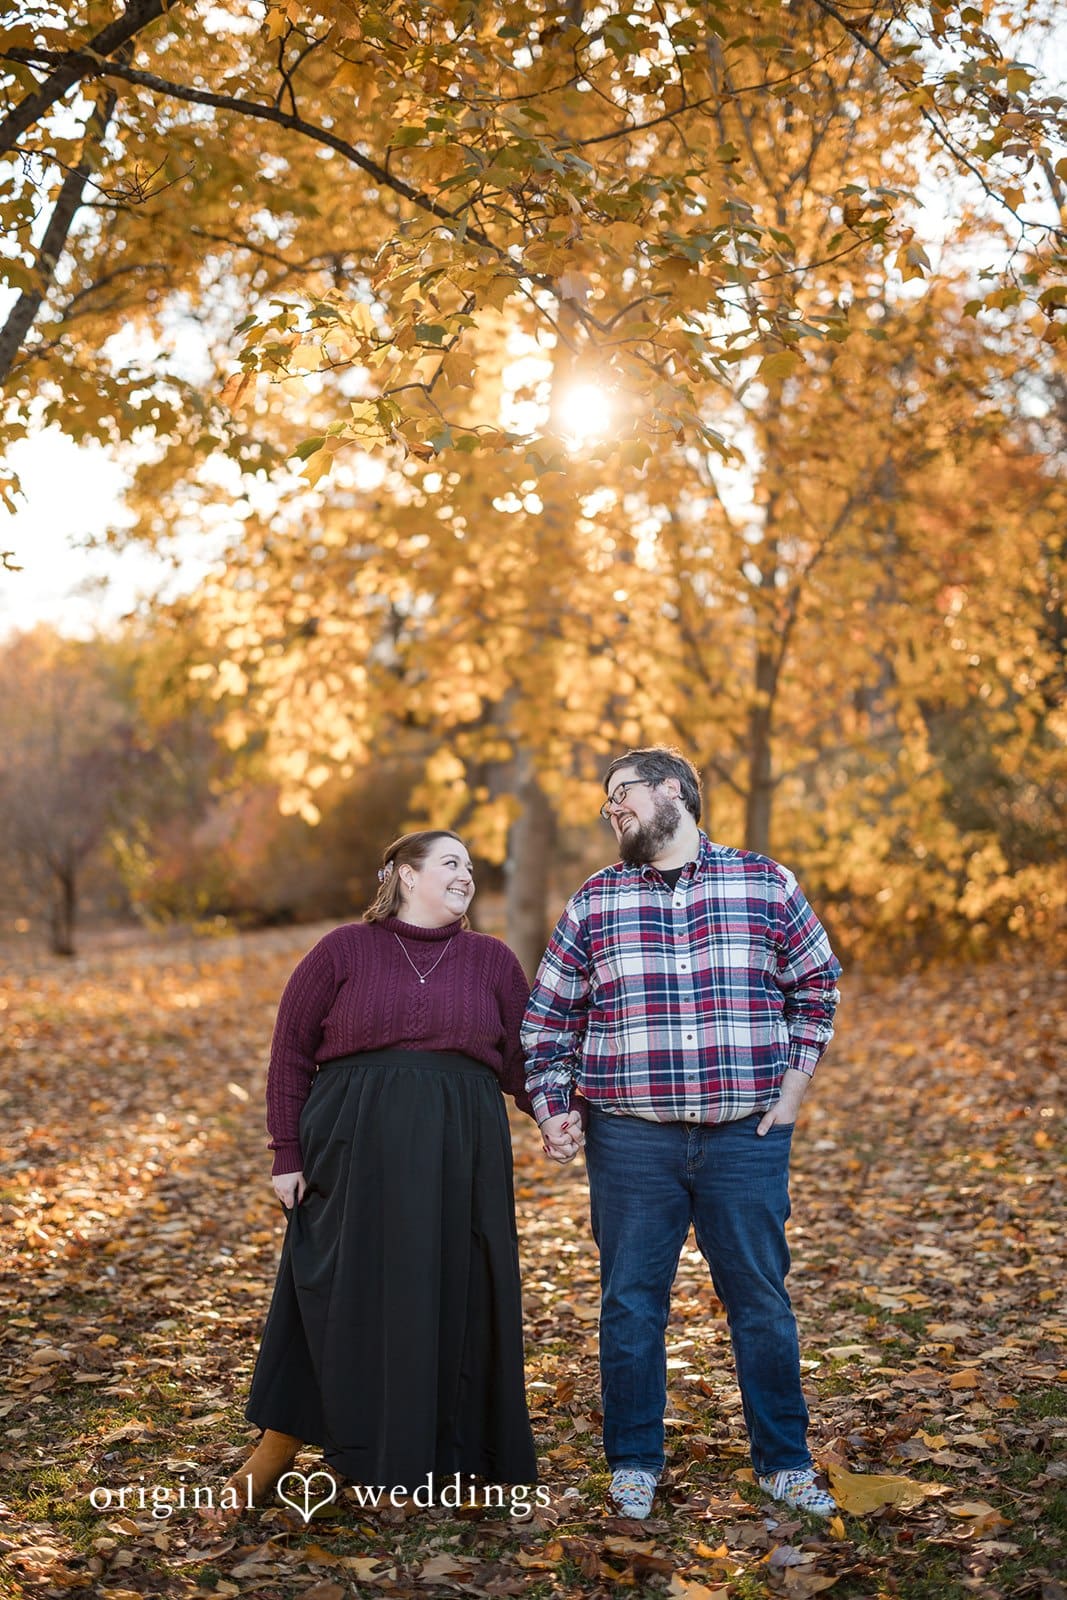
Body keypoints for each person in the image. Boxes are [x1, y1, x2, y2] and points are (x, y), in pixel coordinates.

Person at [523, 747, 841, 1521]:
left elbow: (817, 984)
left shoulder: (763, 883)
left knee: (760, 1301)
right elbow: (546, 1022)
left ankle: (784, 1462)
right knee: (630, 1304)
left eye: (620, 794)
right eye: (606, 805)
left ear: (672, 790)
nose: (613, 811)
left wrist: (793, 1092)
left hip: (746, 1136)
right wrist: (551, 1103)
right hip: (631, 1141)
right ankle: (633, 1463)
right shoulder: (595, 901)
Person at [228, 830, 539, 1507]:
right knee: (338, 1286)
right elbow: (289, 1055)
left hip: (462, 1148)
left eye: (471, 867)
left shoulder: (491, 961)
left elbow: (523, 1061)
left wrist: (557, 1113)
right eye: (450, 863)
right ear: (403, 874)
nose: (466, 876)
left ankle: (442, 1455)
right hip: (351, 1141)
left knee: (455, 1288)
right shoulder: (343, 950)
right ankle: (285, 1442)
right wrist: (287, 1150)